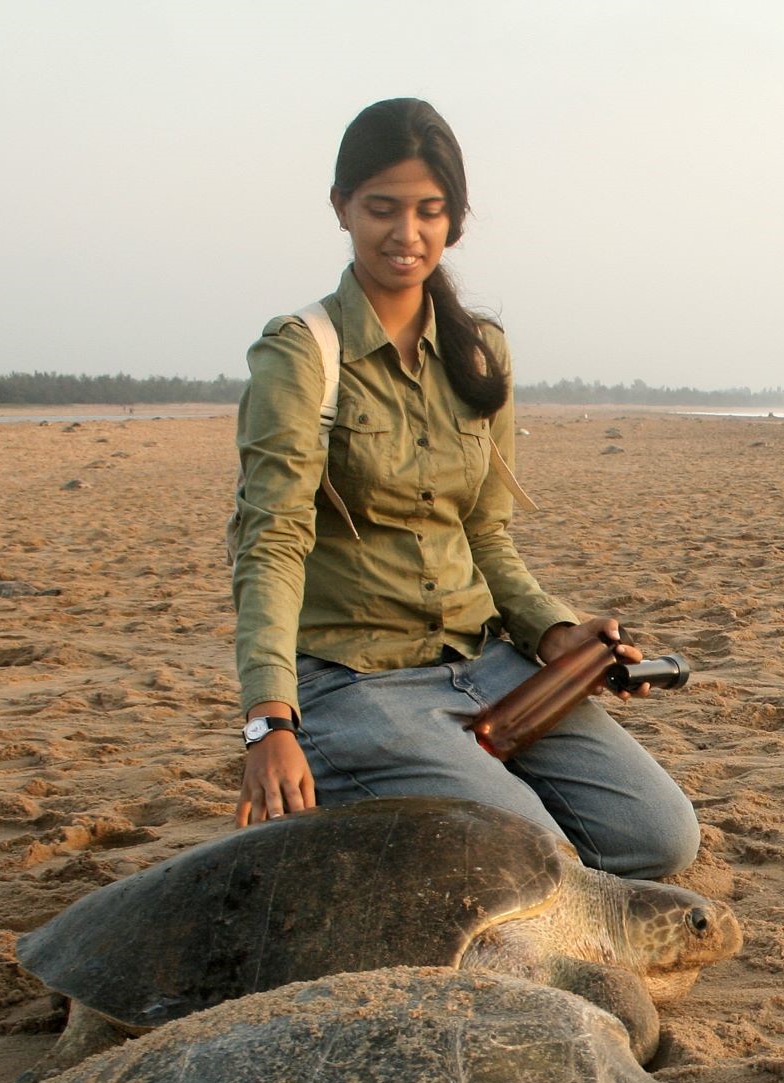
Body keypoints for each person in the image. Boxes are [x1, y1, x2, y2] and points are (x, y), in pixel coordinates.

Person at [228, 98, 699, 880]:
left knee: (656, 837)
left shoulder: (481, 353)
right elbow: (269, 542)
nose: (404, 234)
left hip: (485, 662)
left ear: (455, 219)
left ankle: (424, 806)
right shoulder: (300, 353)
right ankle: (367, 790)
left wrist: (554, 635)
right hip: (352, 678)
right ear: (341, 207)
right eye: (381, 208)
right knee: (530, 857)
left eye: (428, 211)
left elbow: (487, 535)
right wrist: (267, 722)